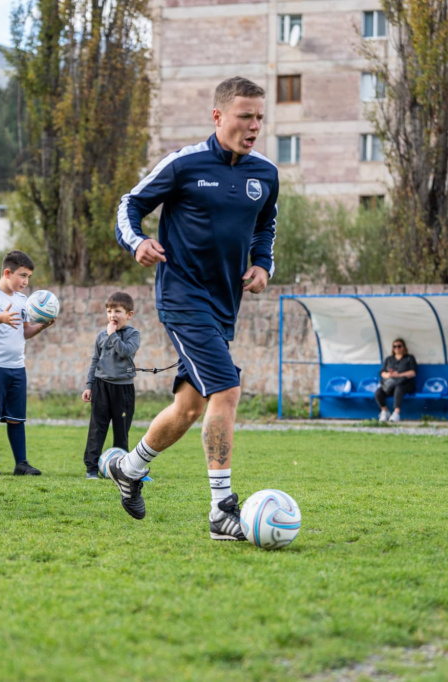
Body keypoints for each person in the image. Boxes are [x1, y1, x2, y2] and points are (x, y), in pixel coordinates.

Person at [110, 76, 278, 540]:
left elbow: (266, 227)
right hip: (183, 298)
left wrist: (263, 265)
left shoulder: (265, 173)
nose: (254, 126)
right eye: (246, 116)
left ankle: (129, 467)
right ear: (218, 116)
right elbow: (130, 204)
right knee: (227, 389)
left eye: (260, 117)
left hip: (226, 304)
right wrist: (138, 241)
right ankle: (222, 511)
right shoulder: (185, 164)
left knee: (189, 406)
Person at [0, 250, 52, 476]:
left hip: (16, 367)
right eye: (22, 276)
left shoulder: (23, 300)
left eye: (28, 278)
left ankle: (21, 463)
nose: (25, 282)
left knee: (16, 418)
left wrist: (41, 326)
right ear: (7, 272)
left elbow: (23, 332)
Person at [81, 292, 140, 479]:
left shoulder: (133, 334)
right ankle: (91, 468)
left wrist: (113, 335)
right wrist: (89, 385)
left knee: (121, 430)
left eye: (117, 311)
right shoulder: (101, 336)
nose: (112, 315)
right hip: (101, 387)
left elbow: (126, 352)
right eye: (109, 311)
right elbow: (95, 361)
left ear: (129, 314)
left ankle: (122, 468)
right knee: (97, 428)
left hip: (123, 389)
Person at [375, 338, 417, 423]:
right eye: (394, 346)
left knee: (399, 389)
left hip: (405, 383)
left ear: (404, 347)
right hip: (390, 384)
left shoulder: (409, 358)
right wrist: (388, 375)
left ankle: (396, 413)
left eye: (399, 346)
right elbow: (382, 372)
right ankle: (384, 411)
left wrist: (399, 375)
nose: (396, 348)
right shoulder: (389, 359)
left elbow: (413, 372)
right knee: (378, 392)